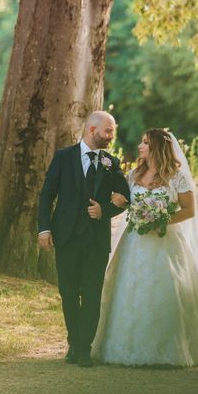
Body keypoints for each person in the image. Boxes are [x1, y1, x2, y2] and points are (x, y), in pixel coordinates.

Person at [91, 128, 198, 366]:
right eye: (141, 142)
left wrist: (160, 220)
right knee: (130, 289)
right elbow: (122, 202)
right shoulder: (133, 175)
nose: (140, 146)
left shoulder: (176, 175)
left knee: (164, 289)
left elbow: (189, 210)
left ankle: (167, 347)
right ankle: (125, 346)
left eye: (146, 143)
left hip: (164, 241)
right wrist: (118, 206)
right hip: (135, 243)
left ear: (157, 147)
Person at [37, 111, 131, 367]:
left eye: (112, 131)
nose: (111, 136)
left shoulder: (112, 162)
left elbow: (125, 196)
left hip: (96, 242)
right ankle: (74, 342)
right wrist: (44, 229)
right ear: (92, 130)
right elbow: (47, 195)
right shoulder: (63, 158)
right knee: (68, 293)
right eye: (108, 131)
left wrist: (105, 210)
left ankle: (83, 349)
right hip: (66, 238)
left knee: (91, 294)